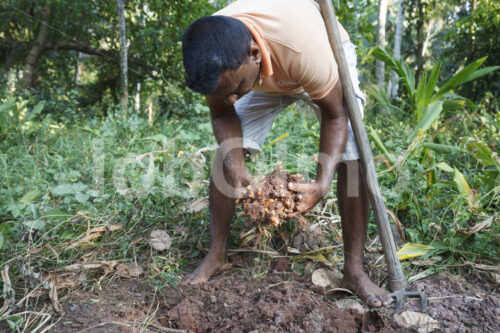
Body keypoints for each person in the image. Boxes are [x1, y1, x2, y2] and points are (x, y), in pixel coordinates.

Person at [181, 0, 392, 307]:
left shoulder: (305, 48)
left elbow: (336, 117)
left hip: (317, 56)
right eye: (222, 92)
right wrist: (237, 167)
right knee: (225, 155)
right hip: (262, 72)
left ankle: (354, 270)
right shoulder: (214, 59)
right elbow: (223, 115)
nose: (230, 98)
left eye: (236, 88)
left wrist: (321, 185)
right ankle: (216, 254)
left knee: (352, 153)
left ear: (254, 54)